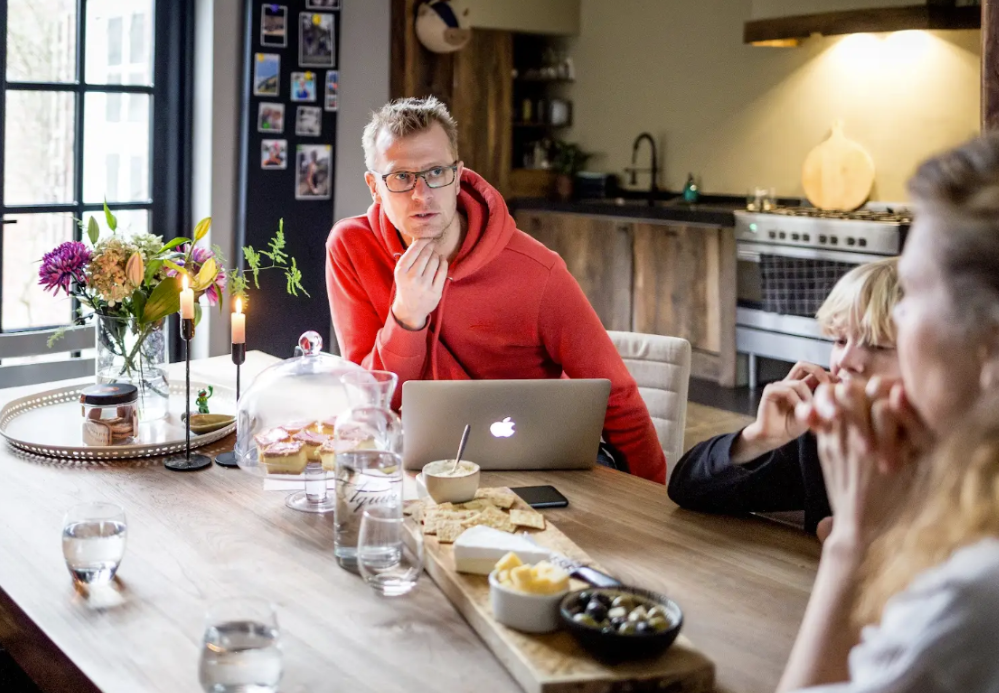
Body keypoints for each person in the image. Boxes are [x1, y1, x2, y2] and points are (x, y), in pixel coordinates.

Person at [325, 97, 667, 482]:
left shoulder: (539, 271)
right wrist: (406, 319)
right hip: (413, 468)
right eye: (401, 177)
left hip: (529, 463)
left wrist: (662, 512)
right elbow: (371, 403)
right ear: (374, 186)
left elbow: (618, 401)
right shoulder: (351, 246)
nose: (422, 195)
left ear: (457, 174)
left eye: (436, 172)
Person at [777, 133, 999, 692]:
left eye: (915, 289)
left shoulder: (973, 602)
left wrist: (855, 538)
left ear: (990, 345)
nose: (898, 319)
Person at [668, 257, 901, 535]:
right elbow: (687, 489)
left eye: (877, 345)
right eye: (839, 340)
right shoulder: (822, 429)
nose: (845, 360)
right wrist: (760, 438)